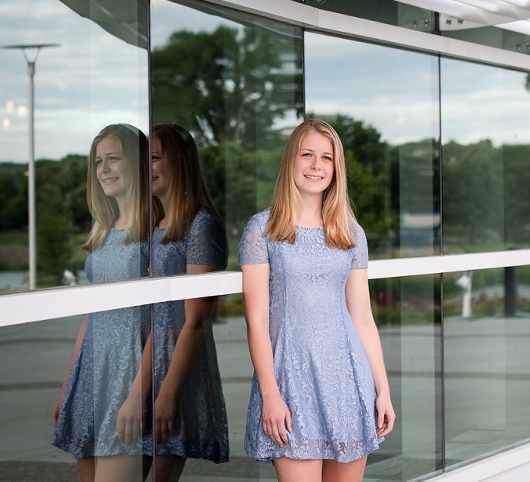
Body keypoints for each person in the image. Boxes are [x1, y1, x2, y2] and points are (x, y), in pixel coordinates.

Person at [238, 119, 395, 482]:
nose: (316, 165)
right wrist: (270, 395)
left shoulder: (350, 232)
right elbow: (257, 321)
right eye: (307, 154)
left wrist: (382, 390)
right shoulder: (262, 229)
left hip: (349, 382)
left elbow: (363, 319)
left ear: (335, 169)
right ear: (291, 160)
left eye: (326, 158)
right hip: (291, 385)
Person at [52, 124, 154, 482]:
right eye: (98, 162)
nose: (104, 169)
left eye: (114, 158)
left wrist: (137, 394)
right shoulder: (103, 231)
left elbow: (164, 320)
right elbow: (91, 314)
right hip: (91, 371)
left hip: (127, 373)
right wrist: (69, 386)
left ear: (136, 164)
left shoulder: (155, 232)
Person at [146, 123, 229, 480]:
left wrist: (168, 393)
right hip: (147, 359)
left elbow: (196, 319)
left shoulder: (201, 225)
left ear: (178, 163)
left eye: (153, 158)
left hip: (175, 365)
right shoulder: (156, 223)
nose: (145, 167)